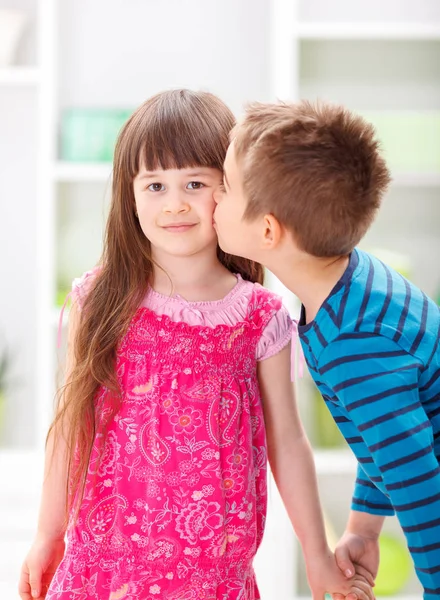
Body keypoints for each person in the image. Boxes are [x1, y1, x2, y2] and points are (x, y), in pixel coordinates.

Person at [18, 90, 372, 600]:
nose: (176, 203)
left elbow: (289, 445)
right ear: (129, 195)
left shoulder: (259, 316)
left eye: (196, 183)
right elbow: (71, 427)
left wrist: (317, 558)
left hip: (215, 580)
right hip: (105, 571)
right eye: (155, 184)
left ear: (229, 192)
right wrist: (47, 534)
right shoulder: (97, 301)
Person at [213, 98, 440, 600]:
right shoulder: (353, 286)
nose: (212, 199)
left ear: (268, 231)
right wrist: (364, 528)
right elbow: (385, 438)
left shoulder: (353, 343)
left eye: (225, 188)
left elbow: (422, 484)